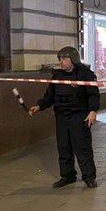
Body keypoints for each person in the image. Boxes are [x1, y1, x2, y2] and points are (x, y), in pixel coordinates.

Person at [29, 46, 100, 188]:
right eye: (59, 59)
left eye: (63, 59)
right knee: (64, 147)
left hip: (79, 116)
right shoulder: (57, 76)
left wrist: (92, 111)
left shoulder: (85, 74)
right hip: (62, 116)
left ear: (72, 59)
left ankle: (89, 177)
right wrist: (39, 106)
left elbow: (93, 94)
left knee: (82, 147)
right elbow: (49, 96)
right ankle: (67, 176)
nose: (60, 62)